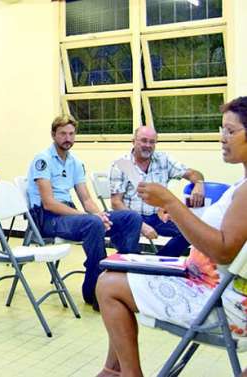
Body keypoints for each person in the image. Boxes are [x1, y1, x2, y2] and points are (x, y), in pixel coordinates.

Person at [95, 97, 247, 377]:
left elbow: (224, 251)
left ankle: (123, 373)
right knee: (122, 256)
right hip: (215, 283)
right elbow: (117, 202)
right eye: (221, 130)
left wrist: (173, 204)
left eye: (230, 131)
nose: (222, 138)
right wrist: (171, 208)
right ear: (135, 141)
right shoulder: (241, 184)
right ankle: (111, 371)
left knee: (107, 285)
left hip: (220, 301)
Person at [26, 115, 142, 307]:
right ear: (53, 134)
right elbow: (49, 203)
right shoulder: (43, 159)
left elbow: (86, 199)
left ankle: (124, 279)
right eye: (63, 133)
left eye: (71, 134)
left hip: (70, 215)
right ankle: (94, 293)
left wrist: (100, 215)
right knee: (92, 223)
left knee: (131, 218)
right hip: (47, 218)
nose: (67, 138)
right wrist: (91, 217)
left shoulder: (75, 162)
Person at [109, 126, 205, 257]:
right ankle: (135, 266)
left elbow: (193, 174)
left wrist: (199, 184)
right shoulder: (122, 164)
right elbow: (116, 203)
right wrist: (141, 226)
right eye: (143, 140)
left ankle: (159, 262)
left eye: (152, 142)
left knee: (190, 231)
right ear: (133, 141)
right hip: (131, 218)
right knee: (130, 253)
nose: (148, 145)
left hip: (158, 216)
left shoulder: (163, 160)